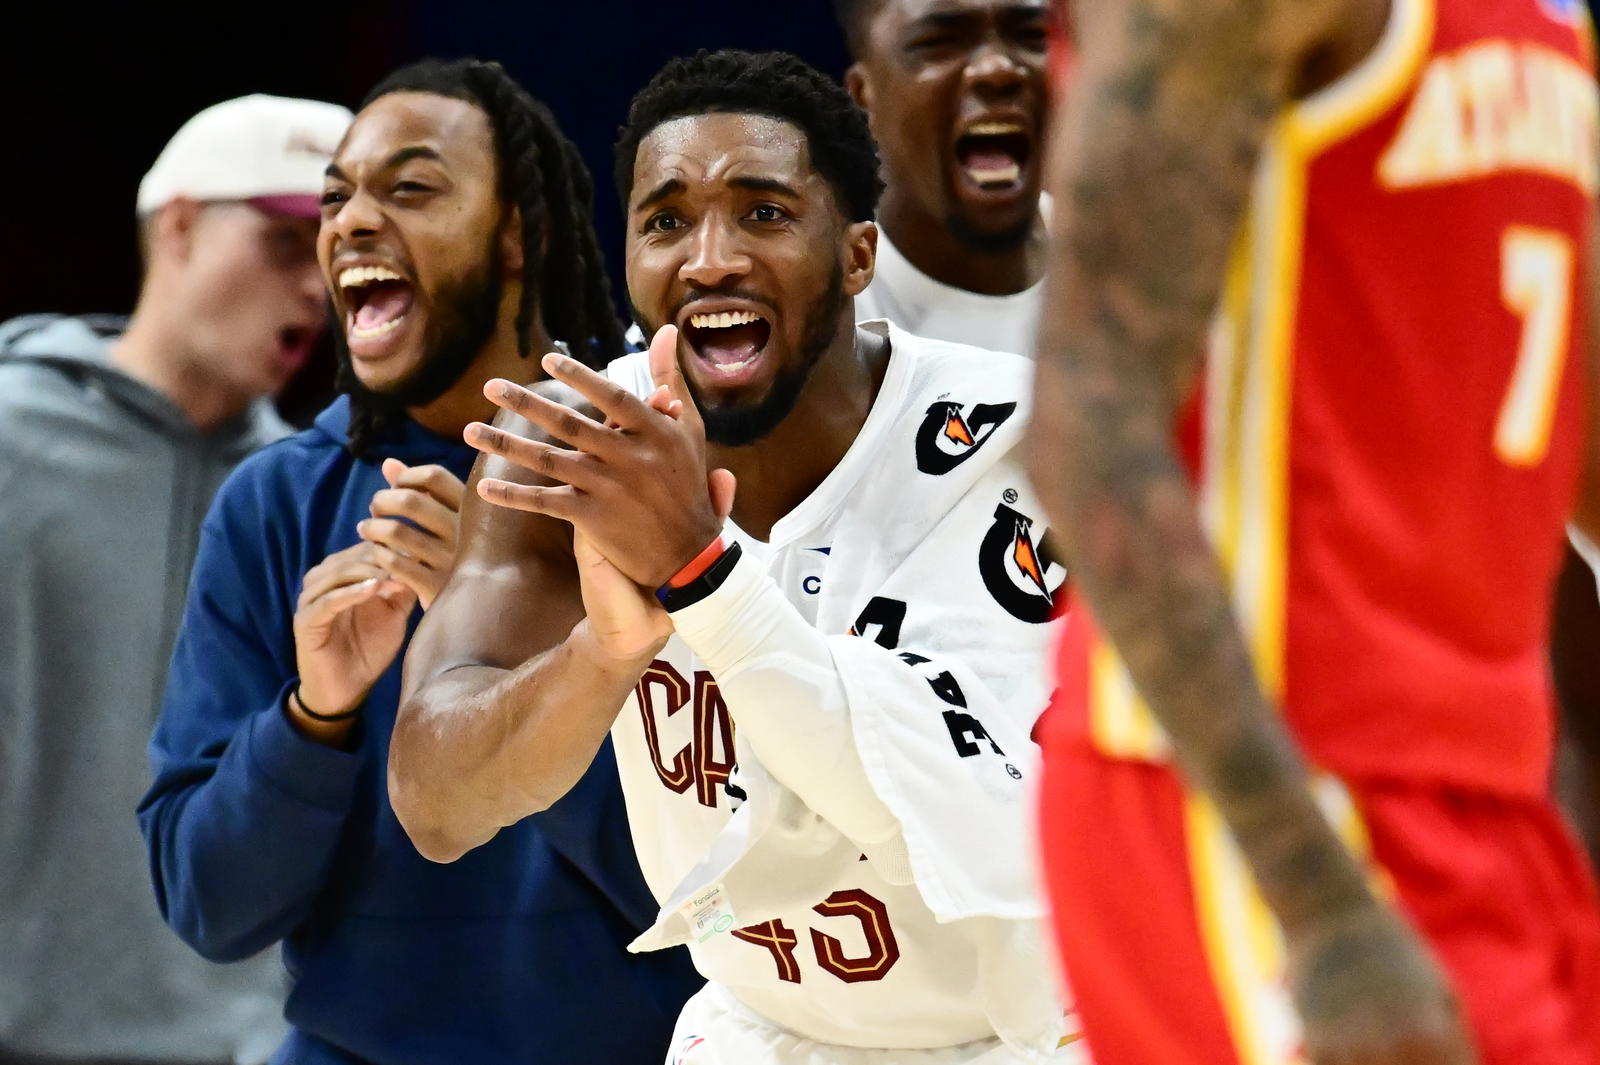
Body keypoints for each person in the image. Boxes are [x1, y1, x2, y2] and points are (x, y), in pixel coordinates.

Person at [392, 49, 1074, 1065]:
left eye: (762, 212)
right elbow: (436, 805)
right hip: (761, 1029)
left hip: (1025, 1036)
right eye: (665, 220)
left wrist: (700, 575)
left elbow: (956, 829)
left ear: (855, 257)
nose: (709, 258)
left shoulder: (1014, 442)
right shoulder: (578, 449)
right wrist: (600, 656)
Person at [1028, 0, 1600, 1062]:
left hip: (1490, 795)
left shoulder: (1546, 19)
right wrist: (1321, 907)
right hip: (1265, 795)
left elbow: (1560, 422)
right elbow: (1083, 432)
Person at [137, 59, 700, 1065]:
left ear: (519, 232)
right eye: (336, 197)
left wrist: (495, 641)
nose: (350, 222)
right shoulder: (277, 504)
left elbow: (717, 884)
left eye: (409, 188)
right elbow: (210, 906)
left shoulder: (667, 467)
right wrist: (313, 717)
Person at [0, 93, 349, 1065]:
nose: (319, 285)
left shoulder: (318, 503)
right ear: (183, 225)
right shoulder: (7, 440)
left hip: (245, 1042)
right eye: (288, 242)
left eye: (338, 252)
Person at [834, 0, 1052, 353]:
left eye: (1033, 36)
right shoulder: (817, 319)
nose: (997, 69)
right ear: (863, 97)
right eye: (939, 42)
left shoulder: (1129, 275)